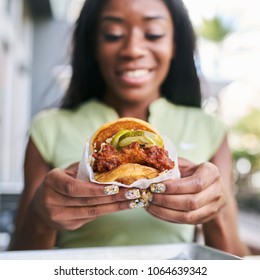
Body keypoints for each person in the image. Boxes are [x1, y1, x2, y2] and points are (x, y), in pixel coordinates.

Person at [9, 0, 249, 256]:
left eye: (153, 33)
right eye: (113, 34)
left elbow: (237, 261)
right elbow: (17, 260)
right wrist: (40, 216)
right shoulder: (47, 129)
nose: (133, 50)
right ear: (93, 45)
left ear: (174, 44)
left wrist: (217, 208)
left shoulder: (209, 129)